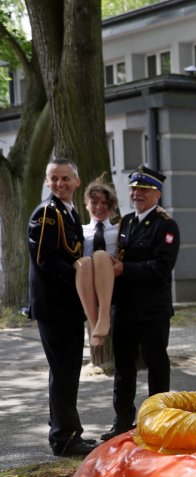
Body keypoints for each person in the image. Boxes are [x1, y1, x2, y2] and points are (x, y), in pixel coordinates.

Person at [101, 165, 180, 441]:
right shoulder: (126, 222)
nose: (136, 193)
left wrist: (126, 269)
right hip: (124, 308)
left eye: (143, 190)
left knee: (156, 364)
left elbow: (161, 267)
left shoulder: (166, 224)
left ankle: (158, 420)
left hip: (152, 310)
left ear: (156, 194)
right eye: (134, 189)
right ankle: (122, 420)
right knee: (123, 367)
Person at [27, 158, 96, 457]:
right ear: (47, 182)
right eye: (54, 178)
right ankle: (64, 437)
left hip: (66, 305)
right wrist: (83, 279)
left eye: (65, 178)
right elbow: (46, 259)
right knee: (64, 370)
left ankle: (66, 430)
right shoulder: (48, 213)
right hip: (54, 306)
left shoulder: (68, 212)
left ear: (77, 181)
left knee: (67, 371)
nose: (60, 184)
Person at [75, 178, 119, 347]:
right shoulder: (80, 230)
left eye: (104, 203)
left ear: (111, 206)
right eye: (94, 202)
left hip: (109, 279)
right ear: (86, 204)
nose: (99, 207)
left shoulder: (119, 230)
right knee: (85, 261)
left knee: (101, 255)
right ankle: (95, 325)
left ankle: (104, 316)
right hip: (85, 278)